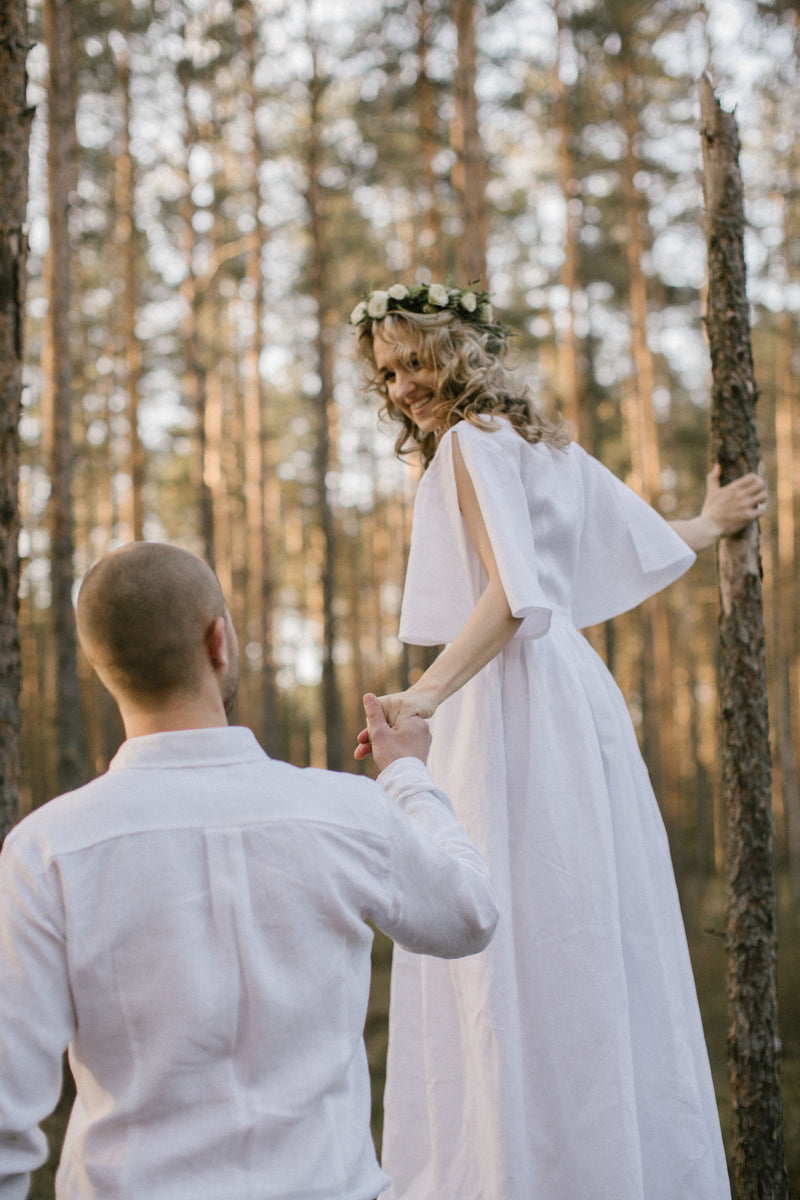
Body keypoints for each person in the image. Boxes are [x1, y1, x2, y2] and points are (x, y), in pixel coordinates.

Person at [350, 281, 768, 1200]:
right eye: (387, 374)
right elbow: (637, 539)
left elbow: (513, 596)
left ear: (457, 352)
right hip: (575, 704)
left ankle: (517, 1169)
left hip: (507, 709)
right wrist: (713, 523)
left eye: (416, 362)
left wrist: (420, 694)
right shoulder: (540, 443)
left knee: (507, 943)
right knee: (581, 934)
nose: (404, 387)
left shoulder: (469, 445)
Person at [0, 541, 499, 1200]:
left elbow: (7, 1115)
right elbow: (471, 914)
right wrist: (406, 775)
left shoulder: (47, 850)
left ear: (102, 667)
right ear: (219, 643)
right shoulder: (347, 812)